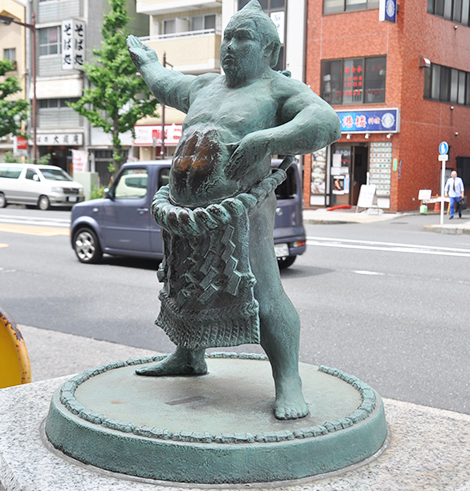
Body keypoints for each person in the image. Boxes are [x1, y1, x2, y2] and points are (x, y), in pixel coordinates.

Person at [127, 0, 340, 420]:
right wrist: (147, 63)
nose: (230, 46)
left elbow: (325, 121)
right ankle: (188, 356)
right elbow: (165, 82)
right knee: (183, 286)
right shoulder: (204, 86)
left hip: (242, 209)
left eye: (243, 38)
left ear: (270, 51)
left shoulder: (278, 89)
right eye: (228, 36)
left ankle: (288, 380)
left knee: (263, 291)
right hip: (186, 212)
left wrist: (265, 140)